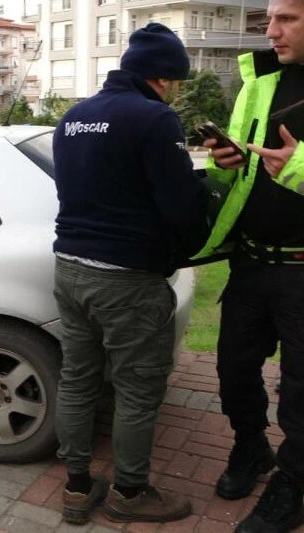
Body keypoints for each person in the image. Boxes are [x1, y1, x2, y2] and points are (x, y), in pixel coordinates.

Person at [51, 23, 209, 525]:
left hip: (69, 267)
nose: (175, 91)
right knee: (137, 390)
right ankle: (129, 492)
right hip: (127, 279)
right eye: (176, 82)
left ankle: (77, 488)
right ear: (162, 78)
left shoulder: (74, 118)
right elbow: (181, 208)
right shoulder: (155, 118)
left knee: (77, 380)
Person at [190, 1, 304, 531]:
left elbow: (291, 166)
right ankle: (251, 447)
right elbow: (243, 168)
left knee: (301, 392)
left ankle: (292, 484)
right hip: (251, 262)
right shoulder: (260, 80)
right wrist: (226, 160)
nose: (270, 31)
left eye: (288, 19)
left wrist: (298, 166)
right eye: (270, 19)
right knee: (234, 370)